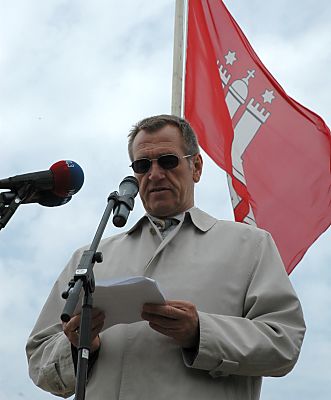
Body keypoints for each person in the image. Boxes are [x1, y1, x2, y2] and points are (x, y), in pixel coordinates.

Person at [26, 114, 306, 399]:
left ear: (195, 166)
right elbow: (39, 361)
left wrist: (200, 332)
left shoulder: (250, 245)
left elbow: (284, 344)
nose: (155, 174)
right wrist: (78, 345)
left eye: (168, 161)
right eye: (143, 165)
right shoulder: (89, 259)